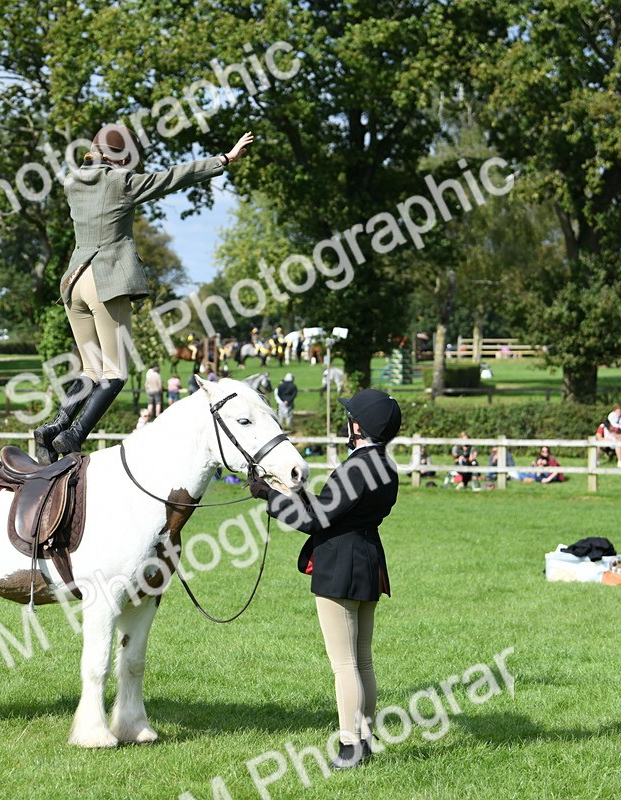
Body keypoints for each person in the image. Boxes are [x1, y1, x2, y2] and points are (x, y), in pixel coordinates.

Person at [31, 123, 255, 464]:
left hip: (73, 282)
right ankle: (73, 435)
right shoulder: (121, 183)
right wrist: (224, 158)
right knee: (117, 372)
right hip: (105, 282)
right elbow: (172, 177)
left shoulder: (71, 182)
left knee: (91, 370)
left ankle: (57, 424)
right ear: (121, 159)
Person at [248, 389, 402, 769]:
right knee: (362, 660)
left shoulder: (356, 467)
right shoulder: (385, 466)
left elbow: (317, 520)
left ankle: (350, 746)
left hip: (341, 563)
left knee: (344, 664)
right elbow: (333, 508)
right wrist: (283, 489)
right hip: (368, 559)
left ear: (358, 425)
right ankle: (365, 737)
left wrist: (269, 499)